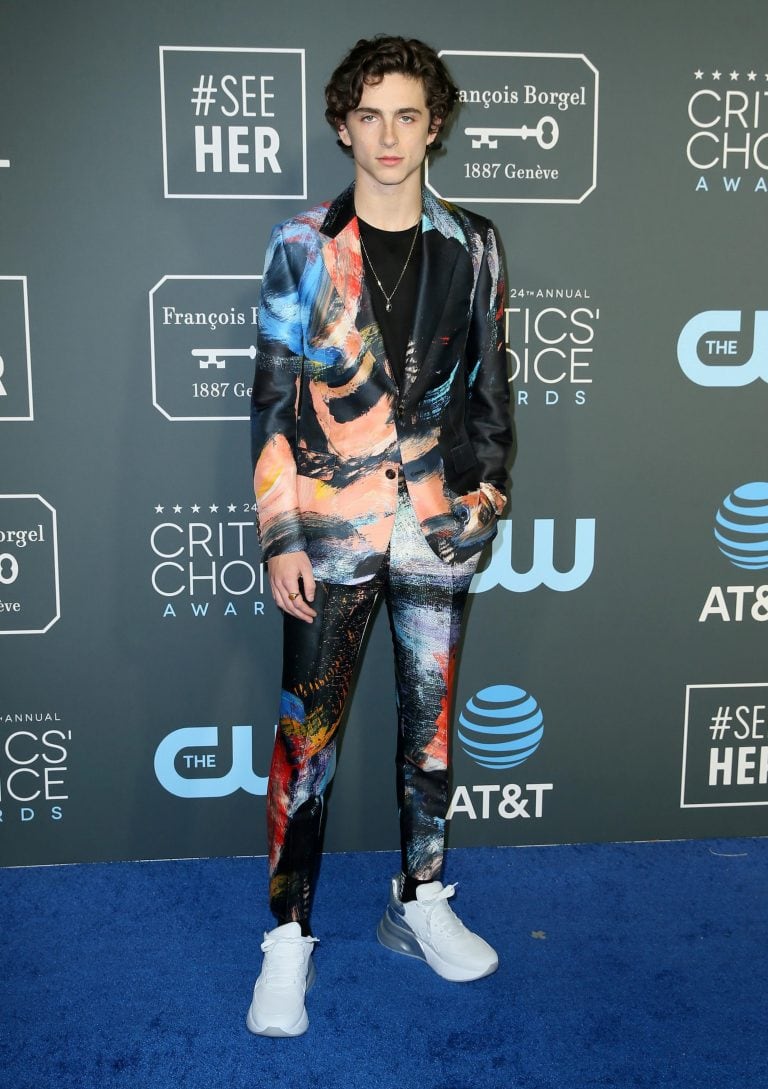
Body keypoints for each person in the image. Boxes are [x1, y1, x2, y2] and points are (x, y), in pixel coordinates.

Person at [247, 34, 513, 1037]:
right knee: (305, 747)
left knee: (429, 736)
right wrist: (279, 537)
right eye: (372, 115)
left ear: (434, 123)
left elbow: (491, 395)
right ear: (344, 125)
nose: (390, 135)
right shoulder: (301, 247)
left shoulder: (476, 243)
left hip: (439, 534)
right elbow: (271, 404)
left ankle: (421, 900)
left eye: (409, 114)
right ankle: (286, 940)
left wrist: (486, 502)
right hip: (325, 533)